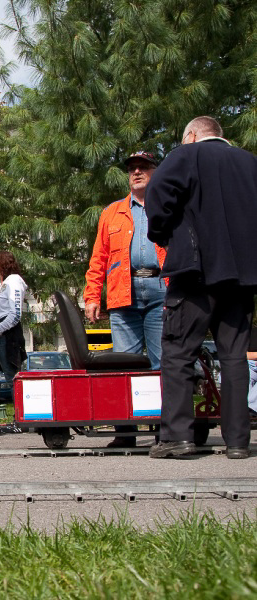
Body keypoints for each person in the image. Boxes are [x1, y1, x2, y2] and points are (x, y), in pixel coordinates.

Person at [146, 116, 257, 460]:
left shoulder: (186, 155)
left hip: (195, 273)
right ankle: (238, 442)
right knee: (235, 358)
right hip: (241, 277)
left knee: (178, 353)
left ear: (192, 135)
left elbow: (157, 194)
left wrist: (165, 234)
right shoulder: (249, 163)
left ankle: (177, 437)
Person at [84, 151, 165, 447]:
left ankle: (163, 431)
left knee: (162, 364)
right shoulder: (112, 212)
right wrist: (92, 296)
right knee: (123, 368)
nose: (137, 172)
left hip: (161, 289)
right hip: (122, 293)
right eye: (132, 168)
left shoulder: (168, 206)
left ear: (155, 171)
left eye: (143, 167)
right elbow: (98, 259)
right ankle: (125, 433)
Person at [0, 251, 28, 385]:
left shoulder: (14, 281)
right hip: (1, 332)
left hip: (9, 334)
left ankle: (19, 405)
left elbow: (15, 314)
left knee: (13, 375)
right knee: (8, 373)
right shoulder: (3, 284)